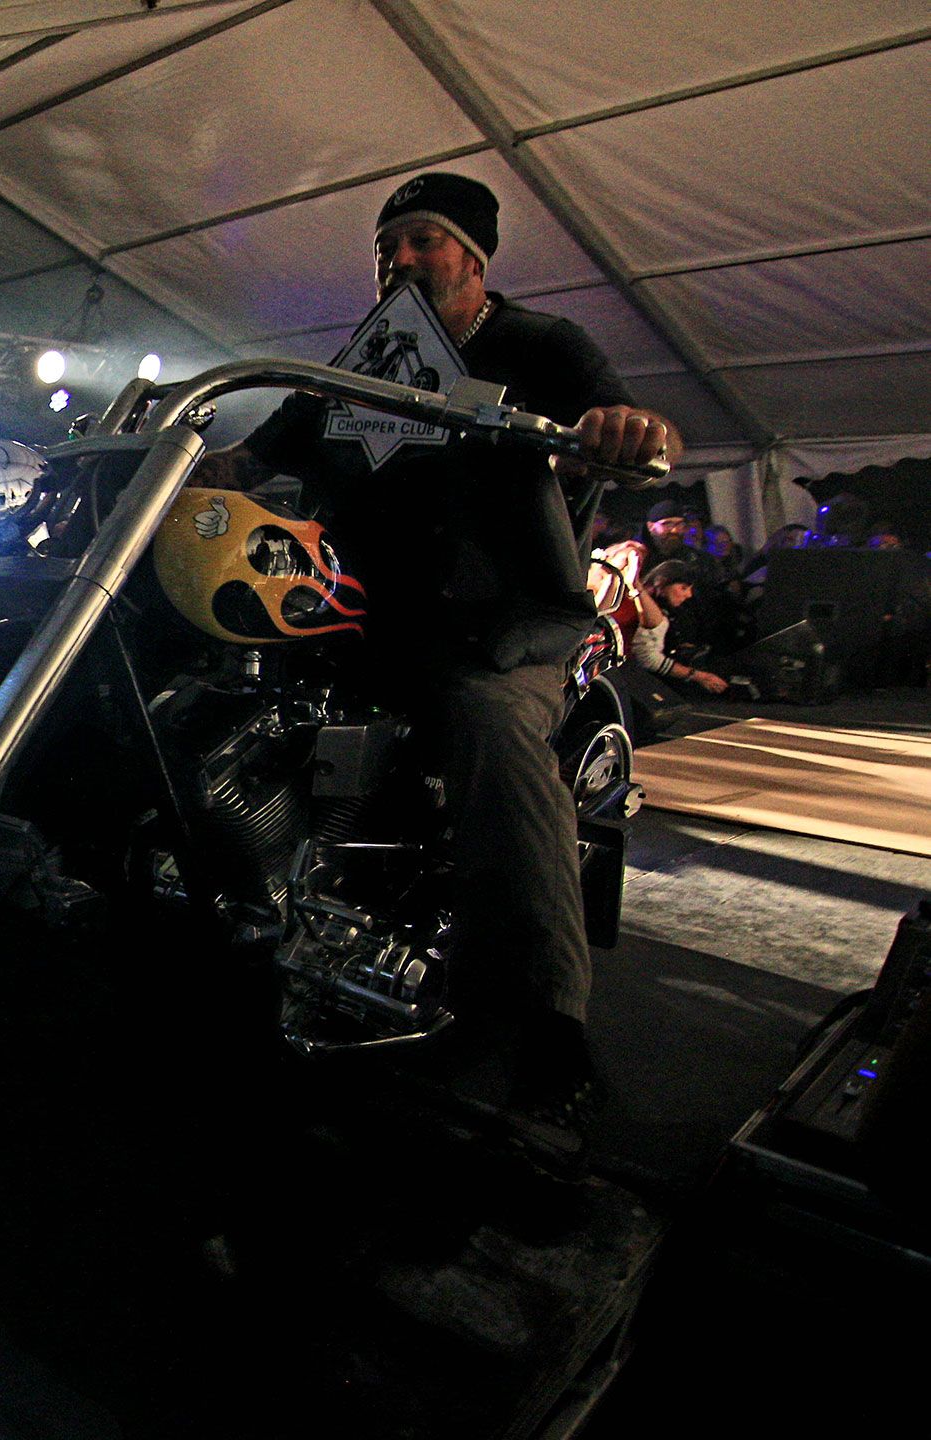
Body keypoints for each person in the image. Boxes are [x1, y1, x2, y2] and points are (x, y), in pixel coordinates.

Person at [194, 172, 678, 1151]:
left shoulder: (537, 345)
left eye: (423, 240)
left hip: (504, 625)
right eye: (387, 248)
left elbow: (635, 429)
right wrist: (177, 457)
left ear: (474, 258)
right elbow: (253, 459)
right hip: (361, 618)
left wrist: (628, 433)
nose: (400, 260)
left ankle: (551, 1033)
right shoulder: (360, 366)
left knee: (494, 727)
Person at [629, 560, 729, 694]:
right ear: (661, 582)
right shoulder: (651, 612)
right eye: (683, 588)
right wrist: (699, 676)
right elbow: (648, 659)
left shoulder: (667, 609)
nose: (689, 594)